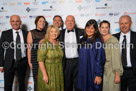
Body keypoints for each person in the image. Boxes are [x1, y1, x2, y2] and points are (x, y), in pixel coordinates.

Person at [0, 15, 28, 91]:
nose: (15, 23)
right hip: (9, 63)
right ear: (10, 22)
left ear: (20, 22)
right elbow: (1, 50)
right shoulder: (5, 33)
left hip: (23, 62)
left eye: (17, 21)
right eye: (13, 21)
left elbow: (30, 48)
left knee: (22, 84)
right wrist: (1, 65)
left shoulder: (27, 33)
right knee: (8, 85)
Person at [77, 19, 105, 91]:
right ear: (85, 28)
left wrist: (98, 75)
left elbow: (100, 59)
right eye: (88, 27)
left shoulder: (98, 41)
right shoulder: (82, 40)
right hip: (83, 73)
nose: (89, 30)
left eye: (92, 28)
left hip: (93, 72)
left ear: (95, 30)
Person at [59, 15, 84, 91]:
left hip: (78, 61)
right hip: (66, 62)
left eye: (72, 21)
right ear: (65, 22)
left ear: (74, 23)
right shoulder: (60, 33)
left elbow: (92, 33)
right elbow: (50, 37)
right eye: (68, 21)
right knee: (67, 85)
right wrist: (43, 40)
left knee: (79, 84)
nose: (70, 22)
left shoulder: (81, 31)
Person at [37, 25, 64, 91]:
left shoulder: (59, 43)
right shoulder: (44, 43)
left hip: (58, 71)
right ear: (48, 33)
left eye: (56, 32)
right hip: (48, 70)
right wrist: (44, 74)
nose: (54, 33)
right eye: (51, 31)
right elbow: (40, 60)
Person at [113, 15, 136, 91]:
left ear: (131, 24)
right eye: (121, 23)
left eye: (126, 23)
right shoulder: (114, 38)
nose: (123, 25)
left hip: (133, 72)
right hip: (119, 72)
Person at [99, 20, 123, 91]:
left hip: (112, 71)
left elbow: (116, 58)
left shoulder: (113, 40)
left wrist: (117, 74)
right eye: (102, 27)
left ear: (109, 28)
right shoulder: (100, 40)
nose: (104, 29)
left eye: (106, 27)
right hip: (103, 71)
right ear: (99, 28)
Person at [27, 16, 46, 91]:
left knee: (45, 82)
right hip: (35, 60)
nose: (42, 23)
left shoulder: (46, 33)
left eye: (43, 21)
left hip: (45, 60)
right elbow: (29, 49)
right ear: (36, 22)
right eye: (40, 21)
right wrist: (29, 62)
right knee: (37, 81)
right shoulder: (31, 33)